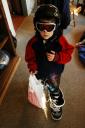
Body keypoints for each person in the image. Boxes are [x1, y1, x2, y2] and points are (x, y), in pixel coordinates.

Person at [25, 4, 74, 120]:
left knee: (53, 88)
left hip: (54, 73)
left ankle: (56, 98)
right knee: (41, 84)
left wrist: (57, 57)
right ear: (36, 26)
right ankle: (45, 88)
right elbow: (29, 57)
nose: (45, 31)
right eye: (41, 26)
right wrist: (32, 67)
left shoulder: (60, 41)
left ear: (56, 26)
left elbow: (69, 54)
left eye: (50, 27)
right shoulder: (33, 43)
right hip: (39, 71)